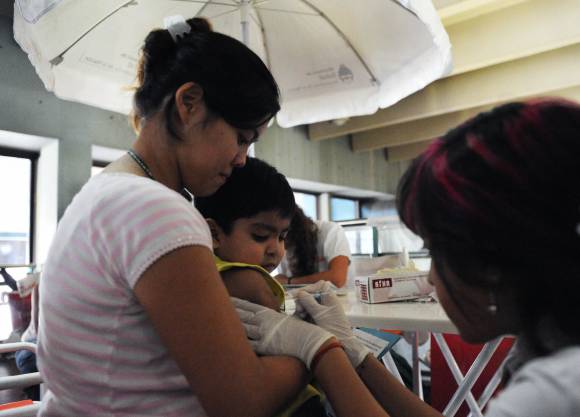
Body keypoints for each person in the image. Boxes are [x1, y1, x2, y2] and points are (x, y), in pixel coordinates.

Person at [36, 16, 314, 417]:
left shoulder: (104, 191)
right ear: (188, 103)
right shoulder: (156, 210)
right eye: (241, 138)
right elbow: (243, 401)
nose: (241, 160)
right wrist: (315, 348)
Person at [234, 99, 580, 417]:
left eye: (434, 252)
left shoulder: (552, 395)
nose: (430, 278)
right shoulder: (547, 351)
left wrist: (323, 352)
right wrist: (357, 355)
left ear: (495, 260)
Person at [195, 156, 328, 417]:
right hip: (291, 406)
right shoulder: (247, 280)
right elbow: (290, 343)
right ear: (214, 234)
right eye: (260, 236)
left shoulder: (204, 271)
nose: (275, 250)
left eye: (282, 237)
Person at [276, 207, 351, 288]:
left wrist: (289, 282)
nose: (282, 244)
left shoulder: (330, 231)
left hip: (339, 298)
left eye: (284, 237)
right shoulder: (282, 242)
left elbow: (337, 279)